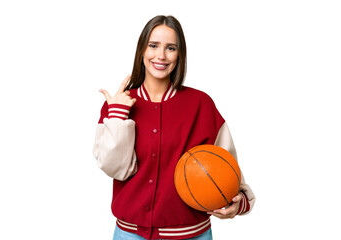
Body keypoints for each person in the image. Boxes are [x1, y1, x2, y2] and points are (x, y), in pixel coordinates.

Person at [93, 15, 255, 240]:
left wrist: (239, 202)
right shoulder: (117, 104)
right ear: (142, 50)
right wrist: (118, 115)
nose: (161, 55)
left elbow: (226, 165)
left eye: (171, 48)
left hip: (191, 235)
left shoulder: (201, 104)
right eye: (153, 46)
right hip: (129, 235)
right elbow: (115, 169)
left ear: (180, 55)